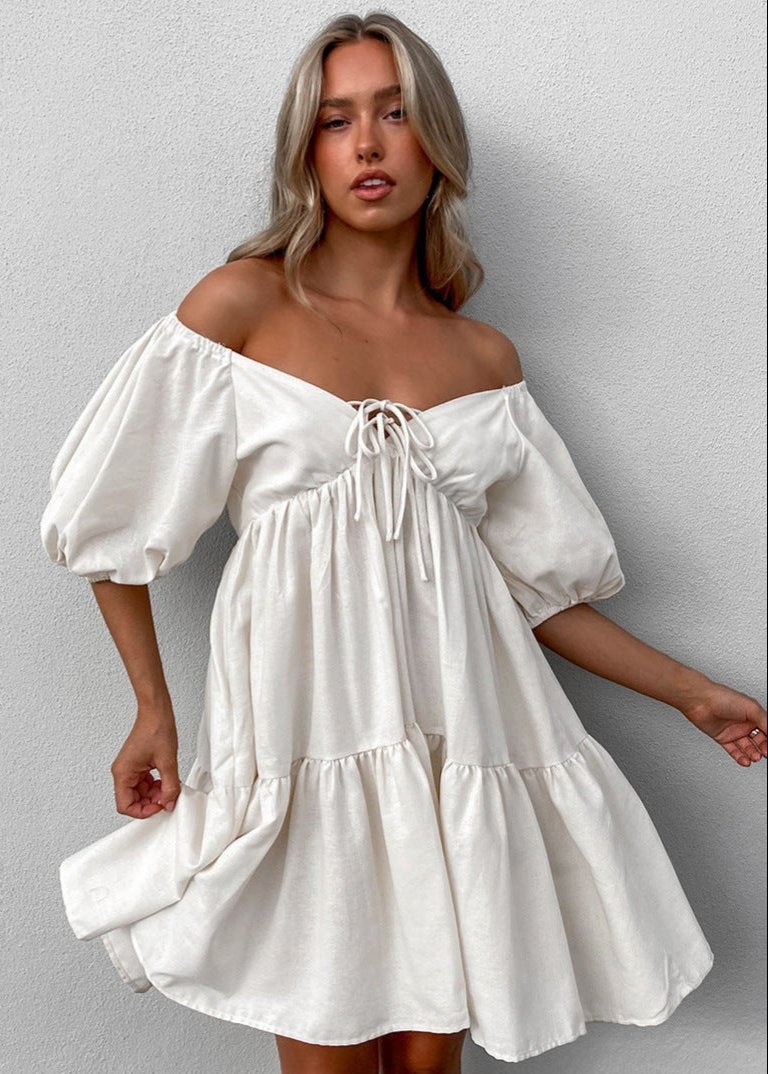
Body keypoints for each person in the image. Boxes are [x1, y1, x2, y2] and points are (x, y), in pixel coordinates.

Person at [40, 12, 766, 1074]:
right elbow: (111, 521)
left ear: (437, 145)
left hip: (459, 734)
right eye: (337, 120)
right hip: (308, 734)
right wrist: (152, 707)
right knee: (331, 1041)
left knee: (429, 1066)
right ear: (307, 151)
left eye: (395, 114)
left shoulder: (482, 357)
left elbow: (540, 591)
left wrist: (693, 694)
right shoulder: (240, 308)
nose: (368, 144)